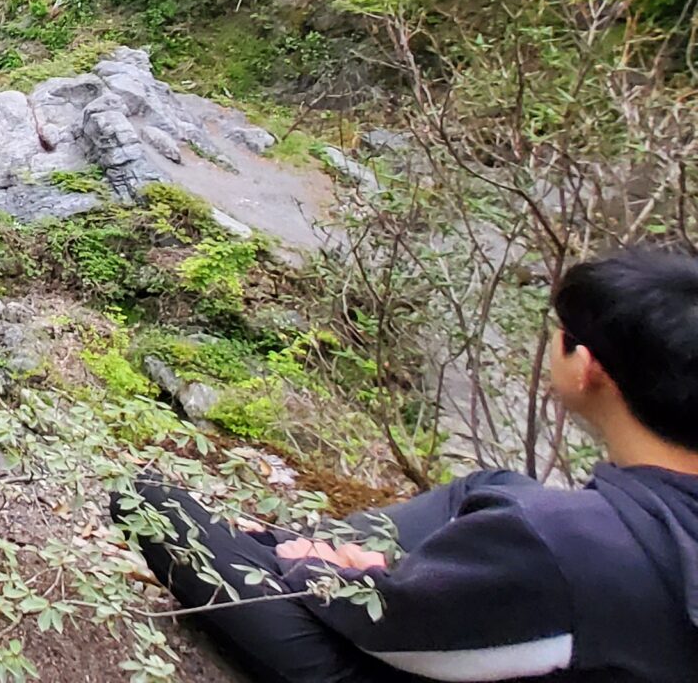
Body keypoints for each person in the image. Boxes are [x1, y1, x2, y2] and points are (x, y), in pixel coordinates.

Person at [117, 248, 698, 682]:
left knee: (150, 505)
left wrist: (326, 570)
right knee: (494, 486)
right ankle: (287, 546)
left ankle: (277, 550)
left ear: (586, 367)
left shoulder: (556, 542)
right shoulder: (629, 521)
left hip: (403, 648)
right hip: (523, 613)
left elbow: (389, 629)